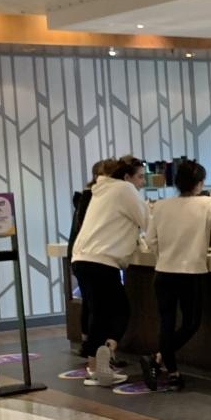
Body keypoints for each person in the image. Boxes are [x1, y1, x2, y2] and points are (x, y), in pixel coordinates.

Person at [141, 157, 211, 391]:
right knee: (190, 323)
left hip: (163, 272)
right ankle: (157, 359)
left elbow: (150, 240)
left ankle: (170, 371)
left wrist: (164, 254)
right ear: (199, 183)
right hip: (190, 272)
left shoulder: (161, 206)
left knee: (167, 323)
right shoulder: (206, 203)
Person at [71, 155, 147, 386]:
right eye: (140, 177)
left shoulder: (100, 191)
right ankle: (98, 364)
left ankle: (98, 363)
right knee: (118, 312)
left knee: (100, 313)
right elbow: (147, 221)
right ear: (126, 176)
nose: (142, 182)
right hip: (102, 261)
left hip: (82, 258)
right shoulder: (124, 190)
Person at [69, 158, 117, 344]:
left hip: (80, 255)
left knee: (90, 303)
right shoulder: (92, 196)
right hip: (92, 256)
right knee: (96, 305)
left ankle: (87, 343)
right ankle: (92, 346)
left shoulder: (87, 196)